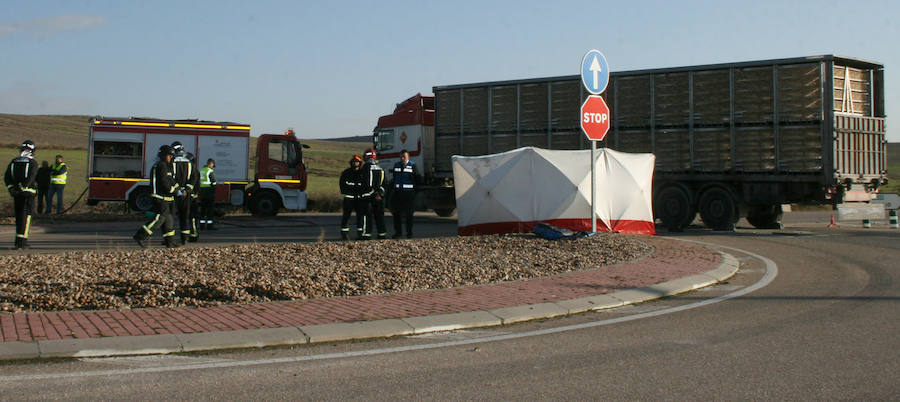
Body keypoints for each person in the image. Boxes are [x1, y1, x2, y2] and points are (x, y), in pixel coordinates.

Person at [133, 145, 179, 248]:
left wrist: (178, 188)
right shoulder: (160, 166)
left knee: (169, 220)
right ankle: (140, 236)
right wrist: (173, 190)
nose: (170, 157)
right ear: (163, 155)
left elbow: (171, 180)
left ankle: (169, 242)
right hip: (160, 198)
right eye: (169, 155)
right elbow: (164, 182)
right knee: (159, 219)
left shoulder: (167, 166)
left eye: (171, 156)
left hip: (167, 199)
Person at [5, 140, 38, 249]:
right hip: (28, 194)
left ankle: (18, 241)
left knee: (19, 217)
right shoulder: (32, 162)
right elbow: (31, 177)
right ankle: (22, 242)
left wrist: (12, 189)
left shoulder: (13, 161)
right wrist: (22, 187)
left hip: (16, 194)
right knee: (26, 217)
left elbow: (7, 177)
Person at [170, 142, 197, 245]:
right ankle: (184, 238)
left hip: (175, 194)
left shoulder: (172, 163)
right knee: (185, 216)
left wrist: (178, 190)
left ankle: (170, 239)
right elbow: (194, 178)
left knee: (171, 217)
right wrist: (187, 190)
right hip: (187, 195)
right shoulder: (190, 163)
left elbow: (170, 178)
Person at [390, 149, 420, 239]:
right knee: (396, 214)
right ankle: (398, 233)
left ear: (408, 157)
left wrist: (415, 190)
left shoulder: (412, 166)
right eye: (401, 157)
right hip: (398, 193)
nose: (402, 158)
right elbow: (395, 177)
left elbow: (417, 179)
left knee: (409, 215)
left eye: (404, 157)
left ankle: (409, 233)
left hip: (408, 194)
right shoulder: (396, 165)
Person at [359, 148, 386, 240]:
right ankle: (382, 234)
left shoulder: (365, 168)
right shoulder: (380, 168)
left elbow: (365, 182)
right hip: (378, 197)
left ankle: (366, 235)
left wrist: (364, 193)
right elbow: (384, 183)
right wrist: (379, 193)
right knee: (379, 216)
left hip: (367, 197)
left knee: (367, 216)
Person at [339, 154, 364, 240]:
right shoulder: (346, 172)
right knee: (346, 216)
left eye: (357, 162)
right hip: (349, 198)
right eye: (354, 162)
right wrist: (345, 192)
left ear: (360, 163)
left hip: (359, 198)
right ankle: (344, 233)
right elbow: (342, 184)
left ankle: (360, 233)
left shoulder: (363, 173)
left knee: (360, 216)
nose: (355, 163)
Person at [198, 158, 217, 230]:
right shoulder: (210, 171)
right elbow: (214, 182)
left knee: (203, 209)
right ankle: (210, 225)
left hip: (202, 192)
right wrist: (214, 188)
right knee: (210, 210)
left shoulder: (201, 170)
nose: (212, 166)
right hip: (209, 192)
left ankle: (202, 226)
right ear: (211, 164)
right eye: (213, 165)